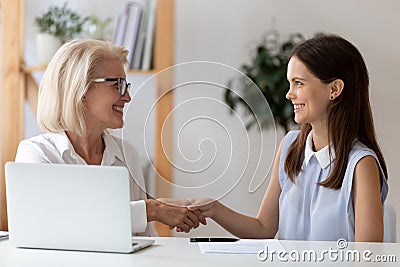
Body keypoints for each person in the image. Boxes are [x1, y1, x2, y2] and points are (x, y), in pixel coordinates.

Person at [186, 35, 388, 242]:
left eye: (298, 83)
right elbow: (263, 228)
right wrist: (213, 208)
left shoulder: (361, 164)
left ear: (334, 89)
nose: (289, 94)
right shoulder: (290, 146)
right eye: (289, 84)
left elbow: (369, 257)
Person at [15, 39, 205, 235]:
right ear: (82, 90)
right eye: (118, 85)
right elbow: (55, 225)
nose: (128, 97)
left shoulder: (127, 154)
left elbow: (146, 240)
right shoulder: (37, 154)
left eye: (126, 86)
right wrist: (151, 209)